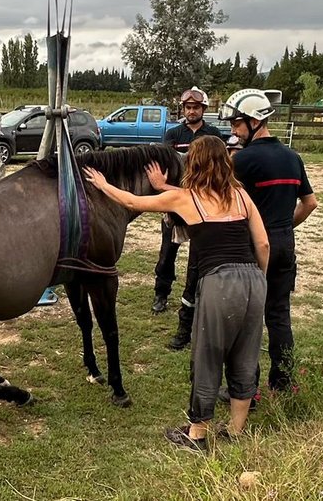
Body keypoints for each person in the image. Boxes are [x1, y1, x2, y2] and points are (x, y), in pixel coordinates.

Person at [85, 135, 270, 450]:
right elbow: (263, 244)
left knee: (207, 356)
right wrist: (259, 280)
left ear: (193, 164)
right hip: (254, 278)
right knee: (245, 354)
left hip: (218, 281)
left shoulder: (187, 199)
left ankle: (197, 435)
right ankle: (237, 431)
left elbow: (132, 202)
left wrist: (102, 184)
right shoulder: (241, 196)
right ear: (225, 162)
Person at [219, 88, 318, 393]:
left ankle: (246, 388)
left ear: (253, 120)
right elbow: (310, 203)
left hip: (253, 248)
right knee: (278, 315)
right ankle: (283, 382)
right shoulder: (292, 157)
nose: (233, 130)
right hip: (285, 246)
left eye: (237, 123)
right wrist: (284, 228)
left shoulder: (243, 161)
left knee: (246, 321)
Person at [154, 87, 222, 348]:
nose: (191, 111)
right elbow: (164, 167)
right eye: (187, 107)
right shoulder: (173, 134)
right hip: (176, 202)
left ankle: (198, 296)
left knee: (201, 255)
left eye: (196, 107)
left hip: (203, 205)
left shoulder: (213, 136)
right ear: (183, 110)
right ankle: (161, 292)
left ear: (203, 109)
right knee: (167, 251)